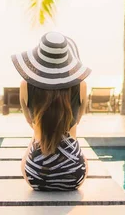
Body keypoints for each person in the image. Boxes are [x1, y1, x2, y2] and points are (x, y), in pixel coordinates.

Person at [11, 31, 91, 191]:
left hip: (35, 174)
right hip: (74, 173)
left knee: (31, 146)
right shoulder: (81, 86)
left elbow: (32, 124)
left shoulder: (25, 85)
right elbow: (75, 128)